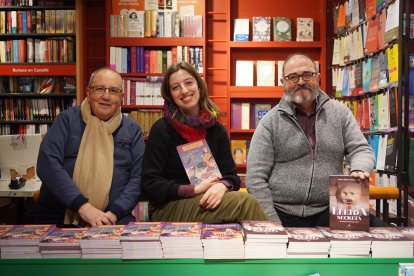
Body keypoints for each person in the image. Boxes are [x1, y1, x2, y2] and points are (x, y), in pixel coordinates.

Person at [246, 53, 386, 227]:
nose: (301, 82)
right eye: (293, 77)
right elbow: (255, 178)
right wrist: (272, 222)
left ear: (318, 77)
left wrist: (359, 168)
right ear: (283, 82)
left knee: (384, 234)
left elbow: (361, 150)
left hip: (332, 207)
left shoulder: (340, 113)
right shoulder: (270, 122)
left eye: (307, 75)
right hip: (281, 212)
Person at [141, 61, 267, 223]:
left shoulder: (216, 129)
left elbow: (231, 176)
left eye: (188, 83)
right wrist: (193, 190)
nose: (184, 90)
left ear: (199, 86)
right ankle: (273, 246)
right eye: (175, 87)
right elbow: (150, 183)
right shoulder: (162, 129)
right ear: (170, 94)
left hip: (207, 199)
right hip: (169, 206)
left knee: (240, 206)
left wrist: (222, 186)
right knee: (245, 203)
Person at [28, 67, 145, 227]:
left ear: (121, 97)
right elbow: (47, 164)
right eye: (99, 89)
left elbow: (138, 177)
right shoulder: (66, 121)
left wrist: (115, 212)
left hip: (114, 217)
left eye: (113, 91)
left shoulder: (132, 130)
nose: (106, 96)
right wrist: (82, 207)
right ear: (88, 93)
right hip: (58, 214)